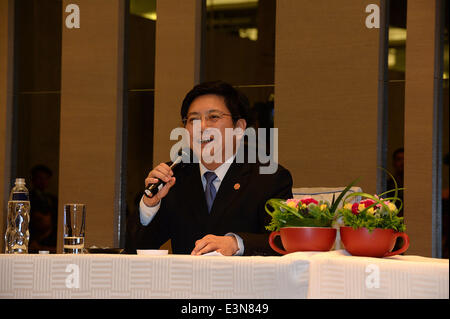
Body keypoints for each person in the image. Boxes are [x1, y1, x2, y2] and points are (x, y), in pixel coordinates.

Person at [129, 81, 293, 256]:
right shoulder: (173, 177)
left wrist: (237, 243)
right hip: (185, 281)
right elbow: (134, 248)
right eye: (193, 120)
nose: (203, 127)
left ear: (239, 128)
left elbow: (284, 241)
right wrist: (150, 205)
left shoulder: (269, 177)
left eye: (213, 117)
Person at [28, 164, 58, 253]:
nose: (43, 181)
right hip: (33, 237)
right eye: (40, 178)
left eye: (46, 178)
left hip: (50, 238)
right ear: (33, 179)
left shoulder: (52, 199)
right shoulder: (28, 197)